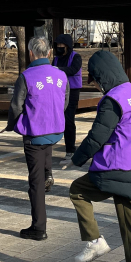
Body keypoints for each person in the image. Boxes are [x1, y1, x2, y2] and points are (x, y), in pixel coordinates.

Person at [69, 50, 131, 262]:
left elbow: (98, 135)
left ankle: (95, 241)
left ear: (101, 76)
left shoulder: (112, 99)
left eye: (95, 81)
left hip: (116, 170)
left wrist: (76, 159)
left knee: (77, 191)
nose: (96, 87)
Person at [5, 37, 69, 240]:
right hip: (55, 130)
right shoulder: (61, 75)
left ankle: (39, 227)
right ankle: (48, 171)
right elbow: (64, 102)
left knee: (36, 182)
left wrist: (14, 124)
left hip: (34, 133)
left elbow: (16, 106)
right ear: (49, 53)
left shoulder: (26, 76)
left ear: (31, 53)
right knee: (46, 147)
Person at [52, 33, 83, 166]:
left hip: (73, 91)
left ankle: (71, 151)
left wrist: (57, 69)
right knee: (60, 119)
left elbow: (73, 70)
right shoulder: (56, 59)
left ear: (68, 46)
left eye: (62, 45)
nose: (59, 47)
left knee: (69, 119)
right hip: (59, 91)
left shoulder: (76, 57)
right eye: (58, 45)